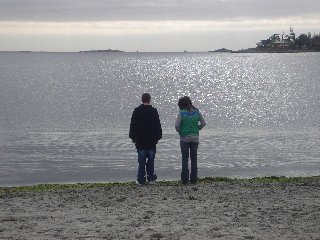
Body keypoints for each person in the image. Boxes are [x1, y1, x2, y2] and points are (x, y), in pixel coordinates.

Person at [129, 93, 162, 185]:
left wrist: (132, 136)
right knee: (151, 160)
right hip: (151, 140)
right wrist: (158, 136)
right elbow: (157, 125)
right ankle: (151, 178)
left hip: (140, 141)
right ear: (149, 99)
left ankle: (141, 179)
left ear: (142, 100)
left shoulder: (137, 111)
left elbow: (133, 125)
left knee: (141, 161)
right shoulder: (153, 111)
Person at [175, 96, 206, 184]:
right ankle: (194, 179)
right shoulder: (196, 112)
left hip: (184, 138)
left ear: (181, 105)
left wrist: (180, 132)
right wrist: (197, 129)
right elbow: (203, 123)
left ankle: (184, 180)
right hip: (195, 138)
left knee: (185, 159)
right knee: (194, 159)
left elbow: (177, 125)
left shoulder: (181, 113)